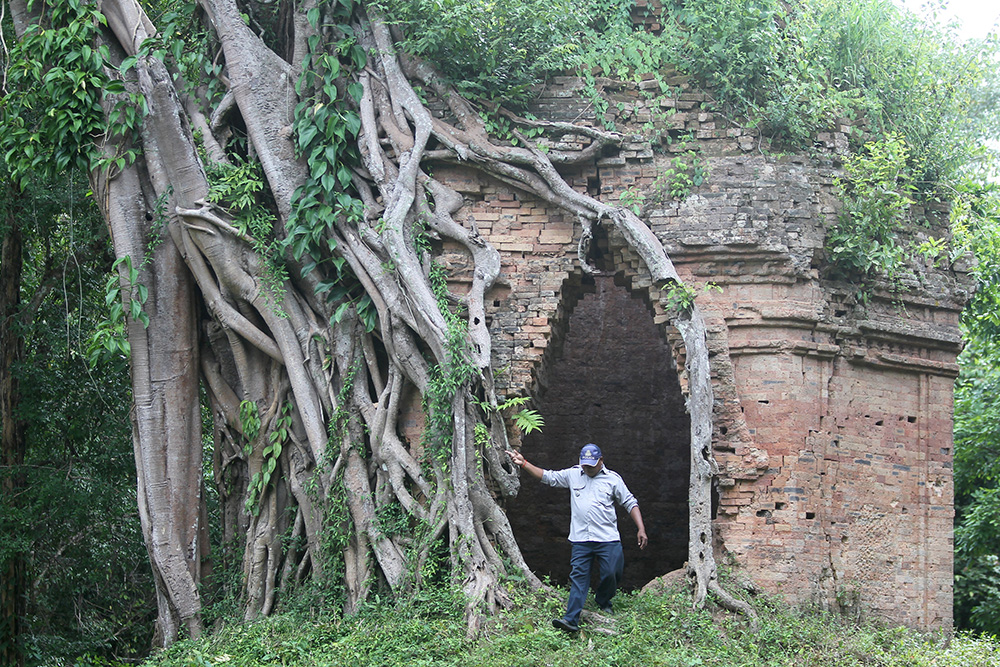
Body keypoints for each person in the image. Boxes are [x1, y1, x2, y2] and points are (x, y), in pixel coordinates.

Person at [506, 443, 647, 632]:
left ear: (601, 461)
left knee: (612, 572)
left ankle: (603, 600)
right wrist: (524, 464)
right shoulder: (573, 474)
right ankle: (571, 619)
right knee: (579, 578)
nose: (587, 468)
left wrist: (641, 528)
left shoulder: (613, 479)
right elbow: (548, 477)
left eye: (591, 465)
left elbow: (630, 502)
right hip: (581, 539)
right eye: (585, 465)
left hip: (607, 538)